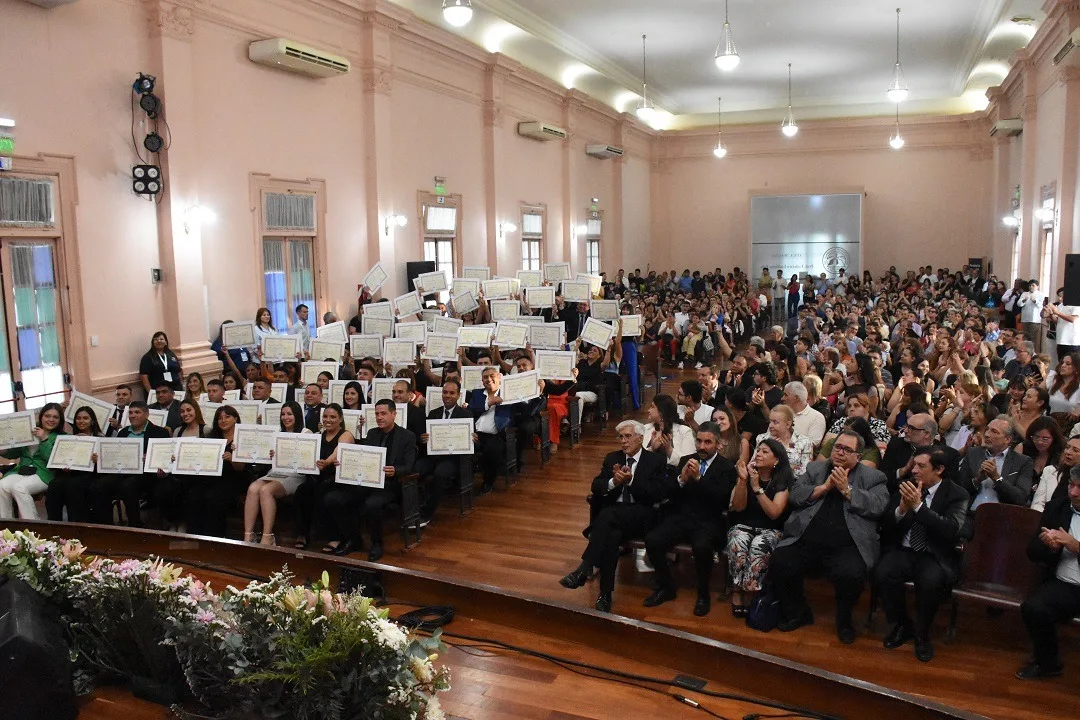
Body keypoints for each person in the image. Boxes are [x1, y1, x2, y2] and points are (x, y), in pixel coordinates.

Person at [770, 430, 889, 644]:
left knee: (852, 574)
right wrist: (822, 488)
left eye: (847, 450)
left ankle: (844, 620)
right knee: (781, 560)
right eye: (837, 447)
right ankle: (798, 612)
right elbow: (795, 495)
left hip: (848, 546)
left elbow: (879, 506)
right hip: (805, 539)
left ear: (858, 456)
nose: (840, 452)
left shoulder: (873, 477)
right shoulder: (815, 469)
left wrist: (848, 490)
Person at [562, 420, 669, 613]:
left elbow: (656, 495)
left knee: (608, 515)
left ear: (640, 438)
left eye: (628, 436)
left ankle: (585, 567)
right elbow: (596, 486)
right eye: (621, 437)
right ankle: (605, 595)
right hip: (614, 520)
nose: (624, 441)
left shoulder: (655, 461)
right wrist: (613, 481)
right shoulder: (613, 458)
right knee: (611, 536)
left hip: (641, 516)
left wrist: (630, 482)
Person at [874, 448, 968, 662]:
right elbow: (885, 525)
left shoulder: (957, 494)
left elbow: (951, 529)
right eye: (914, 464)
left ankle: (922, 634)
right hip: (904, 549)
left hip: (933, 553)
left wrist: (918, 507)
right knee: (882, 573)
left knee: (930, 583)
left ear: (940, 469)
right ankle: (902, 624)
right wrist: (900, 510)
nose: (914, 470)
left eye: (921, 466)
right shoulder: (904, 486)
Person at [643, 422, 736, 616]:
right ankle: (667, 586)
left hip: (708, 521)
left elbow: (722, 499)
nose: (702, 447)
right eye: (699, 441)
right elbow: (667, 492)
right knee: (653, 540)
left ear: (718, 444)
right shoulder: (686, 460)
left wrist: (700, 480)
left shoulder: (726, 468)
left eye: (708, 442)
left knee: (702, 548)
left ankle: (703, 594)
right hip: (681, 517)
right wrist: (682, 480)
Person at [322, 400, 416, 561]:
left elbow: (409, 465)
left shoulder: (407, 436)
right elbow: (362, 456)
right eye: (377, 414)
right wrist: (345, 461)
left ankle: (376, 543)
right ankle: (353, 538)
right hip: (366, 482)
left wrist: (395, 470)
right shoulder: (372, 433)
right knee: (333, 499)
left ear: (394, 414)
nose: (379, 417)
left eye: (383, 413)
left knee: (372, 504)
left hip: (390, 484)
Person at [1016, 466, 1080, 680]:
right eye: (1072, 485)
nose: (1074, 493)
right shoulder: (1056, 508)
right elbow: (1032, 551)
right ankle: (1048, 662)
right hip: (1064, 583)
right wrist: (1049, 547)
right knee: (1034, 608)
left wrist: (1076, 547)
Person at [726, 437, 792, 616]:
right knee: (738, 542)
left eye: (765, 452)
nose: (759, 455)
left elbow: (774, 513)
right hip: (744, 525)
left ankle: (753, 591)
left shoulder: (782, 481)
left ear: (776, 460)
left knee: (758, 547)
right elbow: (737, 507)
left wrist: (757, 488)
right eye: (758, 451)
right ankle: (737, 590)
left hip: (771, 529)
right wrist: (742, 481)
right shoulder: (747, 476)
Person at [91, 401, 171, 528]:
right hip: (123, 472)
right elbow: (115, 454)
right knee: (100, 485)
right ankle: (105, 526)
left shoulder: (159, 432)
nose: (133, 415)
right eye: (131, 413)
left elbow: (165, 456)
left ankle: (135, 524)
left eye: (137, 412)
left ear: (146, 414)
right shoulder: (123, 432)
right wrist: (102, 458)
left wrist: (151, 459)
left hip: (146, 475)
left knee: (128, 485)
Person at [242, 401, 310, 545]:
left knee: (266, 490)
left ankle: (268, 535)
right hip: (275, 472)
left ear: (297, 415)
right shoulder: (277, 433)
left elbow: (306, 458)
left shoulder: (306, 433)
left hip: (294, 475)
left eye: (289, 414)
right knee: (253, 488)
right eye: (283, 414)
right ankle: (249, 535)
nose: (286, 417)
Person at [956, 416, 1034, 528]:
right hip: (970, 516)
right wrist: (977, 480)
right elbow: (960, 489)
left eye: (994, 432)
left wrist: (997, 478)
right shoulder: (973, 453)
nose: (987, 434)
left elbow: (1020, 498)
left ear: (1007, 439)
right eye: (987, 429)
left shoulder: (1022, 462)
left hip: (1002, 520)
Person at [184, 405, 248, 538]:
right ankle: (195, 536)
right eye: (219, 418)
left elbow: (240, 468)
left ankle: (215, 538)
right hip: (211, 478)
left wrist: (232, 458)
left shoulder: (242, 438)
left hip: (233, 479)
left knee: (214, 498)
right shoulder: (211, 437)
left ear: (236, 419)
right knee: (194, 494)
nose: (223, 420)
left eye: (227, 417)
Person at [416, 379, 472, 523]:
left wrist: (473, 440)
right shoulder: (433, 414)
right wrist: (424, 439)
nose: (447, 396)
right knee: (415, 469)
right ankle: (413, 508)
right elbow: (424, 442)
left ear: (458, 395)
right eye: (445, 392)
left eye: (452, 393)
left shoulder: (465, 415)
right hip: (433, 456)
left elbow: (472, 446)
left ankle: (427, 512)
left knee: (441, 473)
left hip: (453, 459)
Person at [0, 403, 64, 520]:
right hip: (23, 470)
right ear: (41, 417)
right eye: (47, 416)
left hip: (44, 473)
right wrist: (3, 451)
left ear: (60, 420)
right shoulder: (30, 430)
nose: (51, 419)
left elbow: (52, 459)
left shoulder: (61, 437)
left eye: (55, 417)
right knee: (1, 485)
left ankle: (33, 527)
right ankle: (7, 526)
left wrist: (44, 439)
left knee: (19, 487)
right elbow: (14, 453)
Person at [154, 399, 208, 533]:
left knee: (190, 494)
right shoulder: (178, 430)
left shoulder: (206, 430)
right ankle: (174, 522)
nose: (185, 414)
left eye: (189, 410)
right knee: (163, 490)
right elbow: (173, 454)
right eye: (182, 411)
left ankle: (184, 524)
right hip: (180, 474)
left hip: (199, 476)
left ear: (196, 410)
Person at [45, 406, 103, 523]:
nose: (81, 421)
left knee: (73, 486)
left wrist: (98, 460)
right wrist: (63, 466)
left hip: (92, 475)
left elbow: (107, 464)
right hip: (71, 473)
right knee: (54, 485)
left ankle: (76, 525)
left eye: (85, 418)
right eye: (78, 418)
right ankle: (54, 525)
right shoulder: (69, 438)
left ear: (92, 421)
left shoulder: (100, 438)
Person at [467, 366, 516, 495]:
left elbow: (526, 410)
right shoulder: (477, 393)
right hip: (475, 433)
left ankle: (488, 482)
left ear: (499, 377)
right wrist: (488, 403)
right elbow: (470, 411)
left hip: (497, 435)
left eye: (491, 376)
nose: (488, 379)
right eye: (485, 377)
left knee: (492, 449)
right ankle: (462, 482)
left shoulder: (508, 393)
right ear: (482, 381)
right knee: (463, 446)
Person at [754, 405, 814, 476]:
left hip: (793, 483)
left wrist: (782, 452)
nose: (770, 425)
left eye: (775, 422)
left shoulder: (804, 442)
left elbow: (805, 472)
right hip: (765, 480)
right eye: (770, 421)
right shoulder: (762, 438)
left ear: (788, 424)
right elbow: (753, 464)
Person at [644, 394, 695, 467]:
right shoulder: (645, 429)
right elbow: (638, 459)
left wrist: (669, 449)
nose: (649, 410)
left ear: (661, 412)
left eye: (652, 407)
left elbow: (688, 462)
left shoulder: (684, 431)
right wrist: (652, 448)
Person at [1032, 435, 1080, 512]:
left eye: (1075, 450)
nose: (1068, 452)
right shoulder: (1050, 471)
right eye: (1067, 447)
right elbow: (1037, 503)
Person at [782, 381, 826, 446]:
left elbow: (810, 445)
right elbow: (769, 435)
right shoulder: (781, 413)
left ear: (796, 398)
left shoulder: (817, 417)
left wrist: (785, 443)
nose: (782, 398)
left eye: (786, 395)